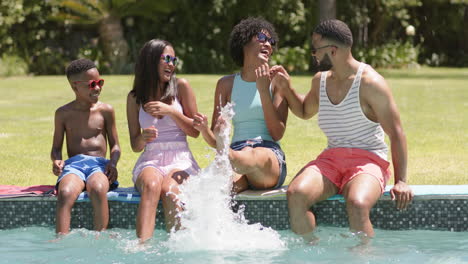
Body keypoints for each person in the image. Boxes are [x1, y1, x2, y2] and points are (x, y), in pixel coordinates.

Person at [282, 19, 414, 241]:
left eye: (315, 49)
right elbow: (305, 111)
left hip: (369, 161)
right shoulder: (320, 81)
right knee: (296, 195)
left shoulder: (371, 83)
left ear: (332, 50)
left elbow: (396, 133)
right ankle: (312, 254)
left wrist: (401, 180)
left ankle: (363, 257)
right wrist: (287, 88)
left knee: (357, 204)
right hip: (331, 160)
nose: (313, 55)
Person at [193, 17, 289, 193]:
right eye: (262, 37)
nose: (268, 44)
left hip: (268, 155)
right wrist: (205, 130)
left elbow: (277, 133)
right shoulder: (226, 84)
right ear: (244, 41)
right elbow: (216, 140)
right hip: (236, 152)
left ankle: (229, 156)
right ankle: (231, 157)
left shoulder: (276, 82)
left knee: (250, 154)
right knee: (221, 189)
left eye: (271, 41)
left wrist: (262, 90)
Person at [127, 39, 200, 242]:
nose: (171, 64)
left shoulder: (181, 87)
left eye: (173, 59)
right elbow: (135, 145)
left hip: (181, 158)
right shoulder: (135, 98)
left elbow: (195, 132)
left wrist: (171, 112)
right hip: (151, 158)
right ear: (150, 61)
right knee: (151, 185)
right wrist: (142, 138)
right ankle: (142, 246)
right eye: (166, 59)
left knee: (169, 190)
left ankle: (177, 249)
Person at [51, 58, 121, 235]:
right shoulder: (63, 114)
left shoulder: (106, 110)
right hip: (74, 166)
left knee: (97, 189)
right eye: (92, 84)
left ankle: (101, 236)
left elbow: (116, 146)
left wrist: (112, 163)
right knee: (65, 192)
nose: (97, 88)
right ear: (75, 87)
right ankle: (61, 240)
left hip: (99, 165)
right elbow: (56, 147)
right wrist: (57, 160)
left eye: (100, 82)